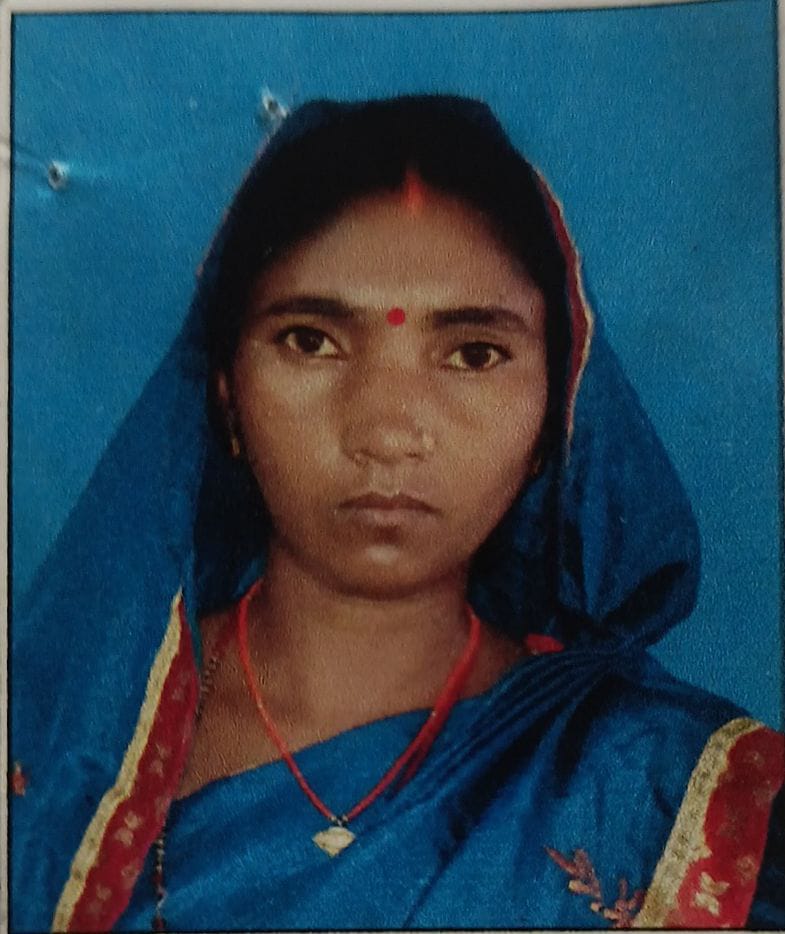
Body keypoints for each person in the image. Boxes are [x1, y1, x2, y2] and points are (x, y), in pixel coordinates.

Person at [11, 95, 783, 932]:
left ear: (556, 416)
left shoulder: (656, 791)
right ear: (226, 396)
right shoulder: (62, 744)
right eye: (310, 340)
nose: (385, 432)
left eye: (473, 354)